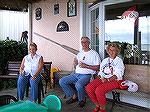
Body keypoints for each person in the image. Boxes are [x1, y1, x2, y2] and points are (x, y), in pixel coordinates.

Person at [59, 36, 101, 108]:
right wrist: (75, 64)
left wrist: (86, 66)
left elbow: (98, 67)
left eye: (85, 42)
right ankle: (74, 96)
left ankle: (82, 99)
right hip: (76, 74)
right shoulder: (80, 53)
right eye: (82, 42)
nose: (83, 44)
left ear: (89, 43)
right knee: (62, 81)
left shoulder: (94, 54)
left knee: (78, 84)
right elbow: (76, 67)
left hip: (87, 75)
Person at [86, 43, 125, 112]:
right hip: (104, 78)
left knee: (99, 90)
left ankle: (102, 109)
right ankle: (97, 105)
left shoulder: (119, 61)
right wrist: (101, 77)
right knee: (89, 88)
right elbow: (101, 71)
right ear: (108, 50)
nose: (111, 52)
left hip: (115, 81)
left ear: (117, 51)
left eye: (114, 50)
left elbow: (118, 74)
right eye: (110, 50)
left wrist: (108, 79)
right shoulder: (105, 60)